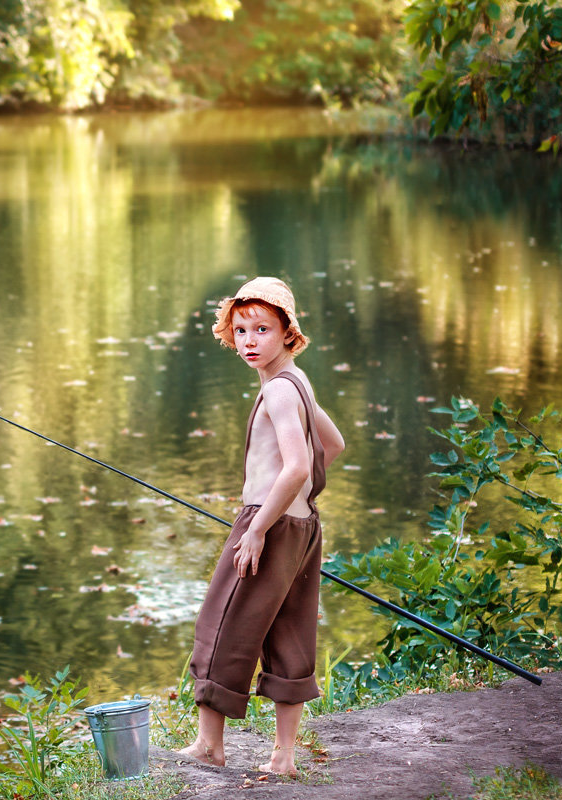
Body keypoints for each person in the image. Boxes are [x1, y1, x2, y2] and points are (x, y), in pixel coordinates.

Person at [178, 276, 345, 777]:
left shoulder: (276, 392)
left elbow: (297, 465)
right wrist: (295, 505)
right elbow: (331, 446)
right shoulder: (300, 384)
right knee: (290, 636)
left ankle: (210, 745)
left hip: (268, 525)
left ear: (288, 333)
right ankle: (284, 756)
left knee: (222, 624)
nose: (251, 341)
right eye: (242, 329)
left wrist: (256, 528)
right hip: (302, 527)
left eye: (263, 329)